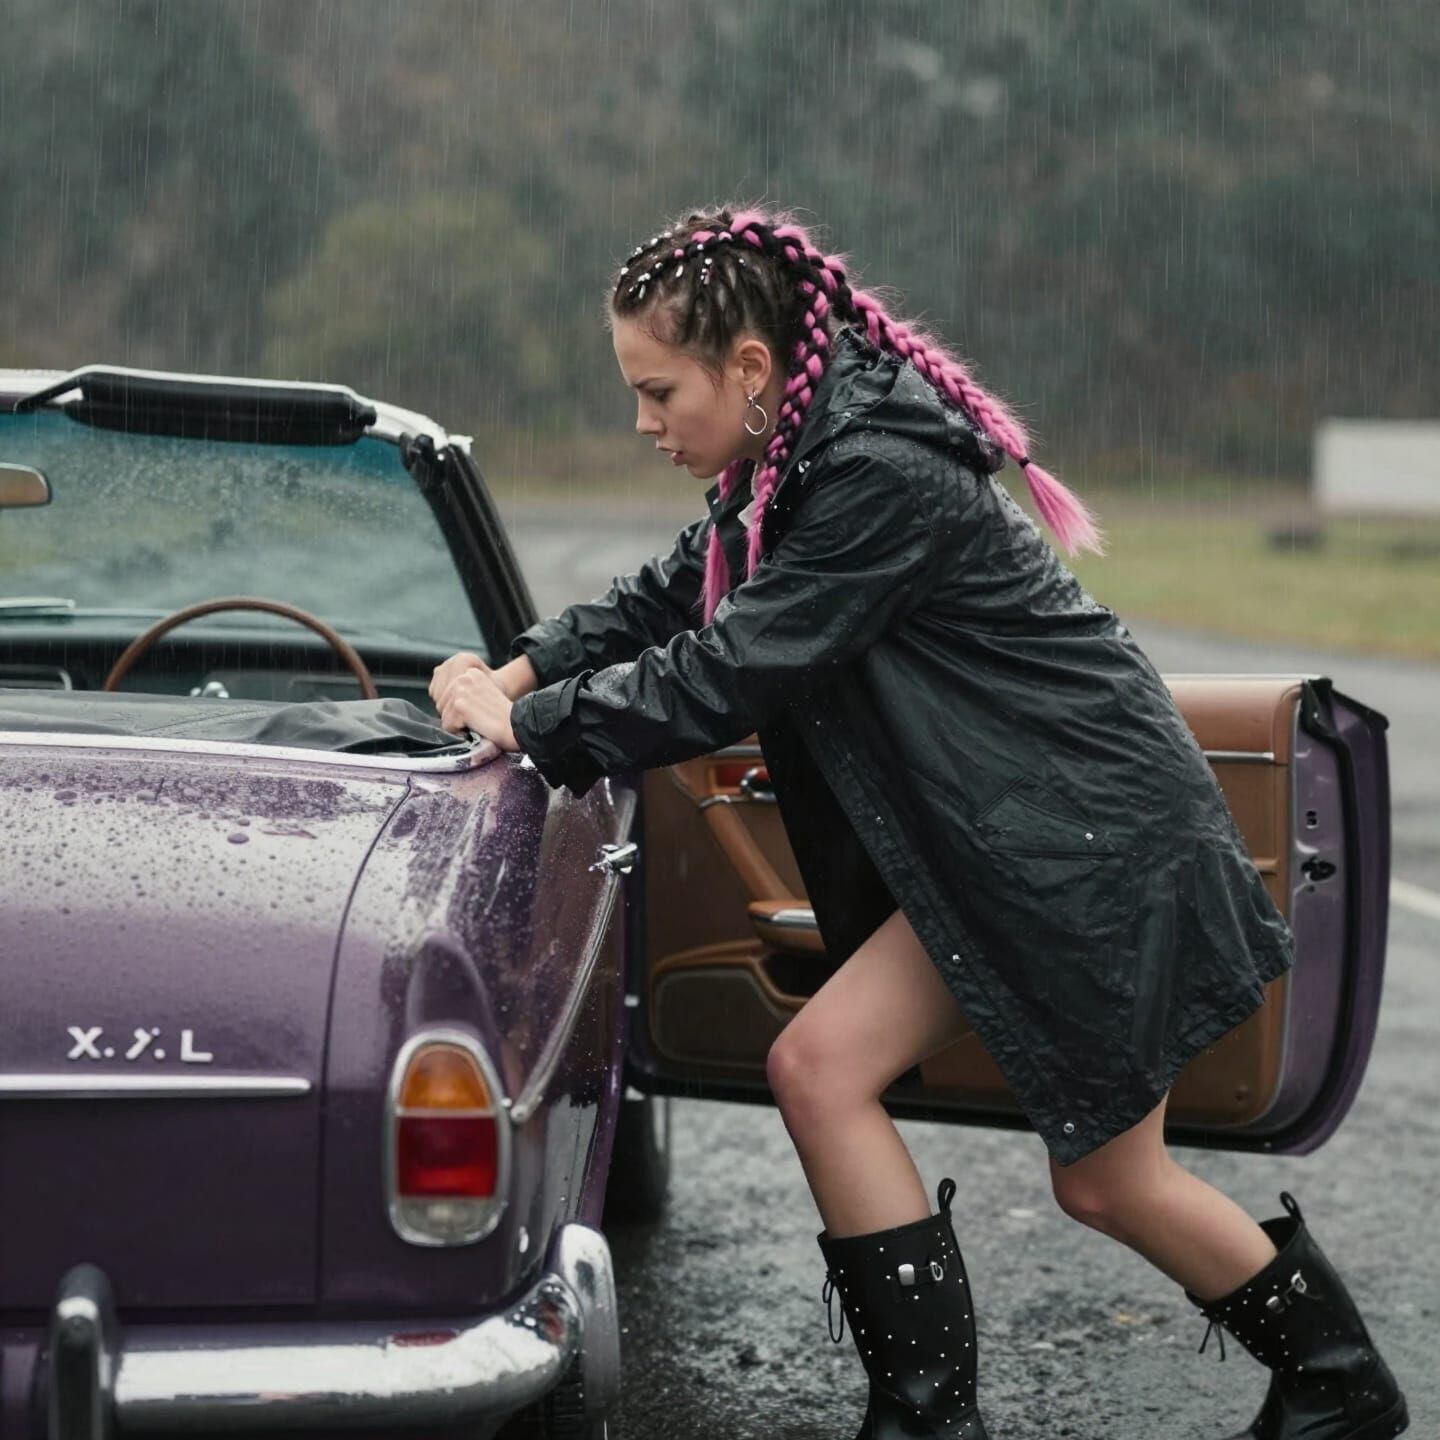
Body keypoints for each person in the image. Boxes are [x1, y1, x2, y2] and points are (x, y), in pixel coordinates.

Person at [428, 205, 1408, 1440]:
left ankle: (1331, 1383)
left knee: (1101, 1179)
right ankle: (955, 1412)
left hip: (1082, 843)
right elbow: (671, 593)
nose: (643, 422)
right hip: (1005, 846)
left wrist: (535, 724)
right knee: (857, 1082)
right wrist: (512, 672)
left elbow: (728, 671)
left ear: (749, 369)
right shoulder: (790, 466)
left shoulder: (875, 474)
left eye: (657, 390)